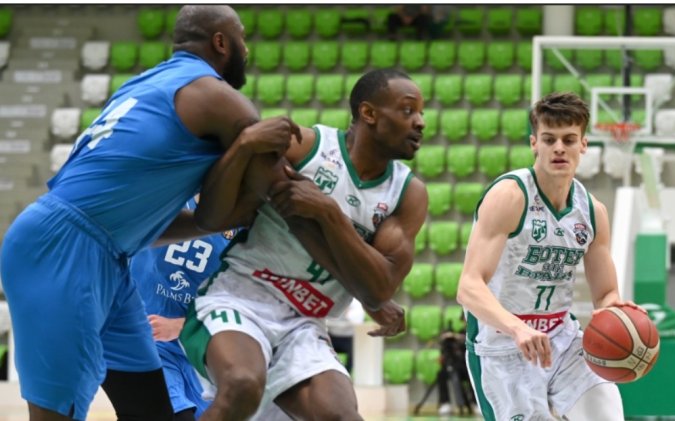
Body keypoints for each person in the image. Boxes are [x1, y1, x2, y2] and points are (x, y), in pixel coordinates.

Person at [0, 6, 301, 420]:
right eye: (242, 38)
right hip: (64, 250)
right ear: (221, 42)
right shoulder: (215, 95)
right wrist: (248, 145)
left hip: (105, 250)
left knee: (151, 411)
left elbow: (158, 227)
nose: (246, 49)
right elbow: (280, 193)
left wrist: (219, 219)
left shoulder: (143, 84)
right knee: (56, 415)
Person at [179, 68, 429, 420]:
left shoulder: (407, 193)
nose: (420, 122)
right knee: (242, 385)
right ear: (368, 113)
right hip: (240, 297)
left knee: (342, 417)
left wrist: (329, 213)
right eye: (407, 110)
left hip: (305, 322)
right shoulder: (307, 147)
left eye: (421, 113)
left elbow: (380, 287)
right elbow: (216, 215)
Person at [456, 92, 644, 421]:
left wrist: (615, 308)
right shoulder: (509, 196)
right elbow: (469, 287)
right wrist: (518, 329)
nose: (559, 148)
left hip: (562, 339)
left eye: (569, 139)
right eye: (549, 139)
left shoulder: (592, 211)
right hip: (502, 345)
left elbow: (605, 293)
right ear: (534, 144)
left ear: (583, 145)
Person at [130, 196, 236, 421]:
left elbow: (247, 304)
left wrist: (181, 325)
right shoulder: (164, 196)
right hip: (150, 340)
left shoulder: (248, 223)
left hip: (204, 347)